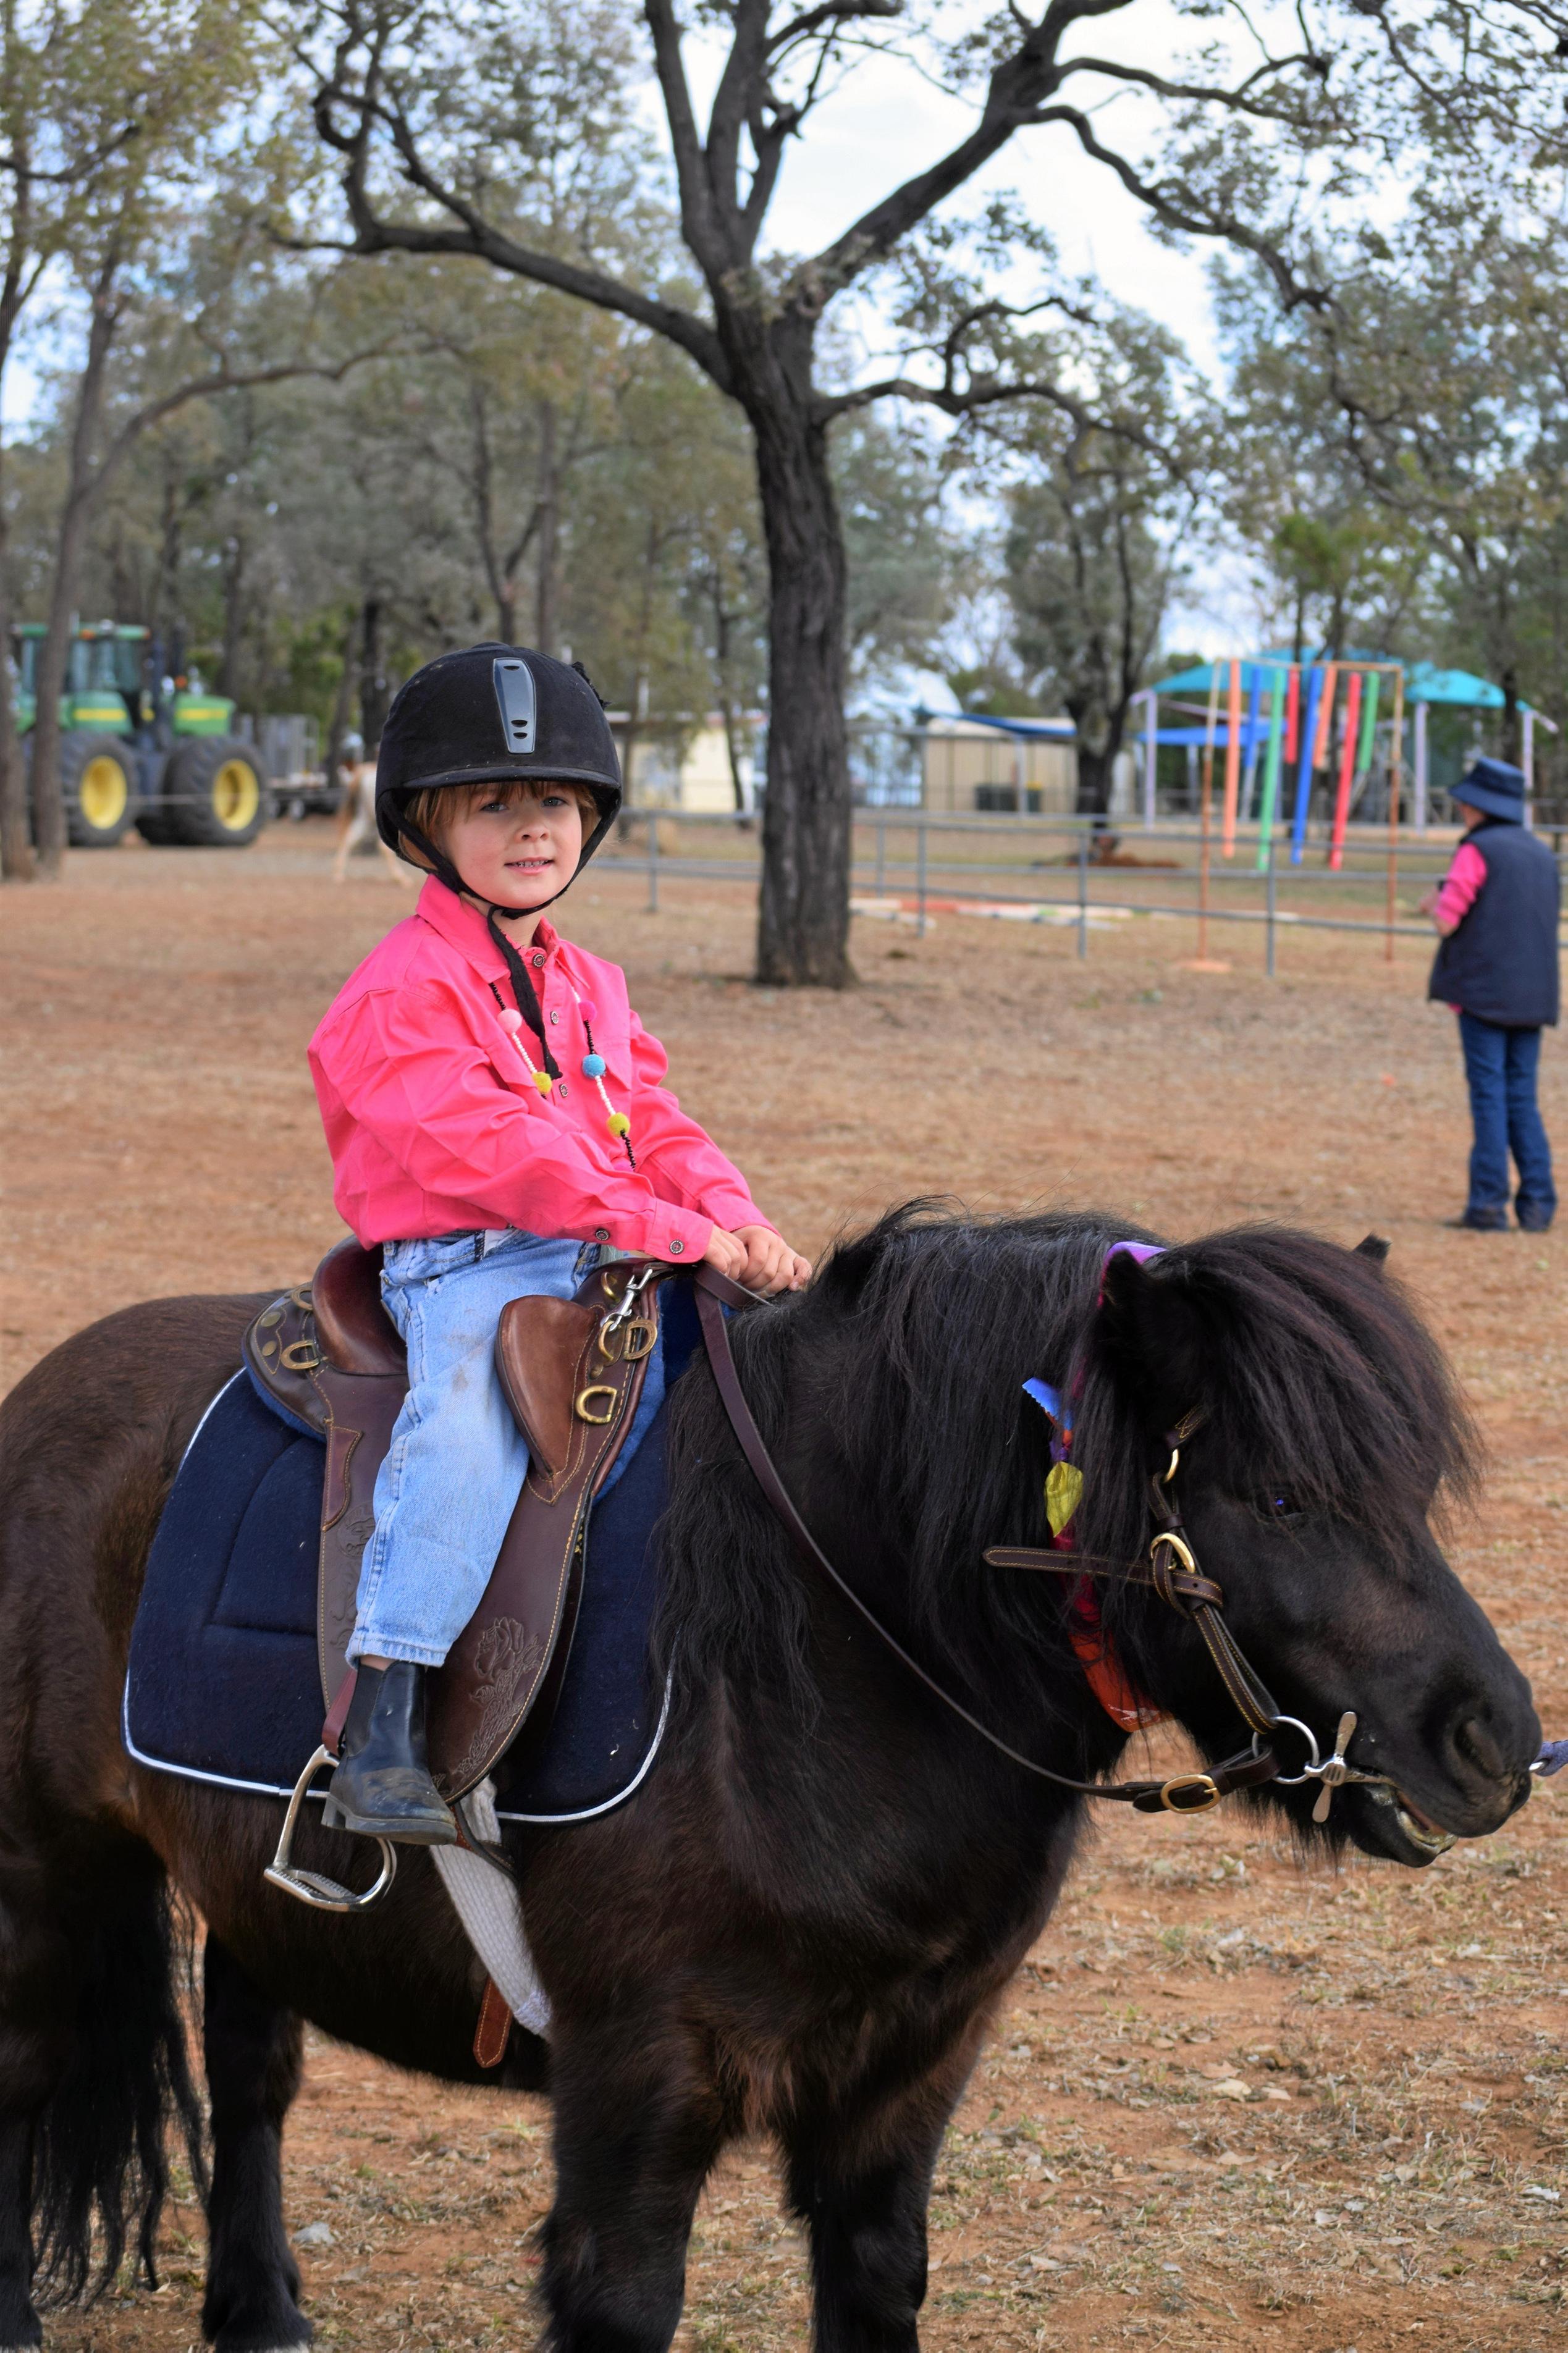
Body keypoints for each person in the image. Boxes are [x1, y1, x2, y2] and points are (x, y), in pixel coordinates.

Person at [308, 644, 812, 1845]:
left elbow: (654, 1121)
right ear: (427, 825)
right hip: (469, 1265)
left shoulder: (590, 981)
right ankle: (382, 1714)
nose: (532, 827)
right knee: (473, 1428)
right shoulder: (397, 993)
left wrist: (734, 1220)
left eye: (556, 801)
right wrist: (666, 1225)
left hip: (606, 1254)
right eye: (493, 803)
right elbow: (502, 1154)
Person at [1423, 756, 1559, 1233]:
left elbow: (1448, 919)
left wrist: (1433, 903)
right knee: (1521, 1094)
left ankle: (1487, 1204)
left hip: (1484, 994)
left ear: (1477, 805)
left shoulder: (1476, 850)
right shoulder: (1541, 854)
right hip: (1533, 994)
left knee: (1489, 1094)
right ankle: (1539, 1204)